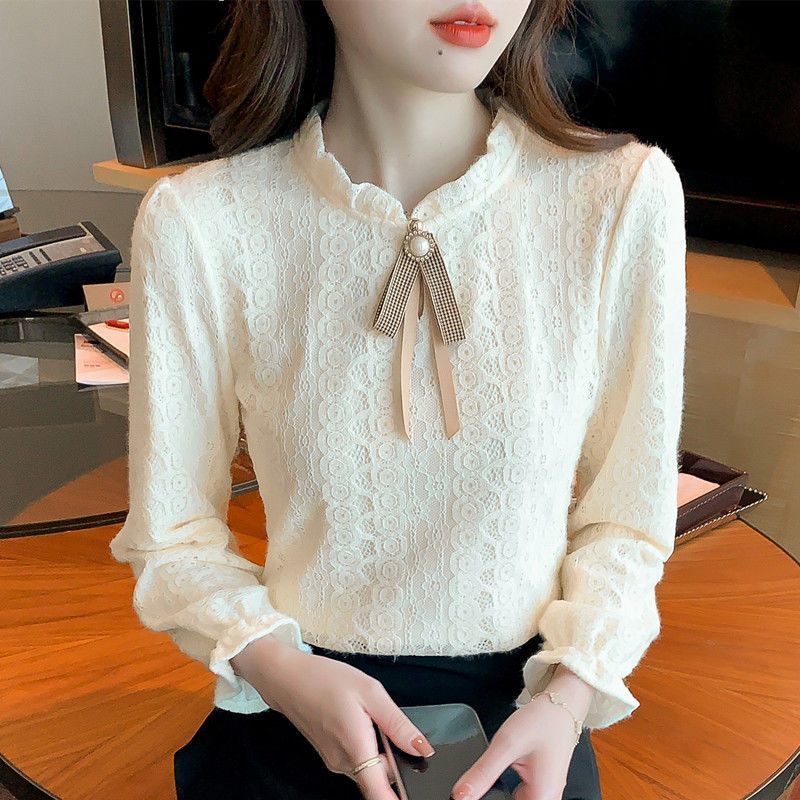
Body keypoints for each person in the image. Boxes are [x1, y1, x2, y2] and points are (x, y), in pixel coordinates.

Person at [108, 1, 687, 799]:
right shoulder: (201, 222)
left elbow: (627, 521)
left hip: (527, 732)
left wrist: (568, 694)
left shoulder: (620, 199)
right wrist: (277, 667)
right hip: (295, 712)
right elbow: (172, 535)